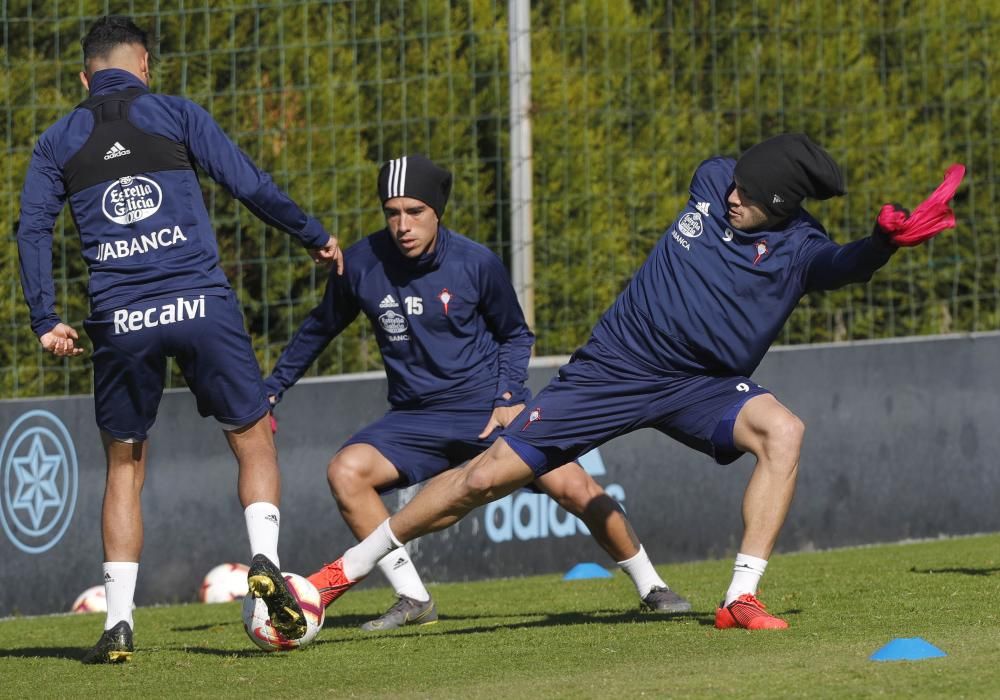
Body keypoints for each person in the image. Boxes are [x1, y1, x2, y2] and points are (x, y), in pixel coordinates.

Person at [305, 135, 965, 630]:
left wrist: (883, 244)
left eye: (747, 197)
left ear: (782, 207)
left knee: (783, 431)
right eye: (733, 185)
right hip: (615, 368)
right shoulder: (712, 180)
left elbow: (845, 265)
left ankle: (740, 597)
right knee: (482, 479)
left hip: (701, 383)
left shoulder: (801, 251)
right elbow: (733, 181)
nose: (730, 196)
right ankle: (341, 574)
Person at [15, 16, 343, 663]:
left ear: (85, 76)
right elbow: (247, 183)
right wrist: (313, 234)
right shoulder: (173, 112)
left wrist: (44, 316)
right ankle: (264, 562)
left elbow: (31, 230)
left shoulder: (58, 139)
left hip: (120, 319)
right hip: (200, 302)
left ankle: (118, 623)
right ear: (144, 66)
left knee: (123, 466)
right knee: (251, 438)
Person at [267, 154, 690, 630]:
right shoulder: (362, 264)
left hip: (489, 411)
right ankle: (412, 598)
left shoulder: (476, 262)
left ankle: (651, 584)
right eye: (392, 212)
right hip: (414, 419)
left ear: (437, 212)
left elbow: (515, 334)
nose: (403, 225)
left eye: (415, 212)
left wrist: (509, 395)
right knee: (346, 471)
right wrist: (273, 389)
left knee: (575, 486)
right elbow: (319, 329)